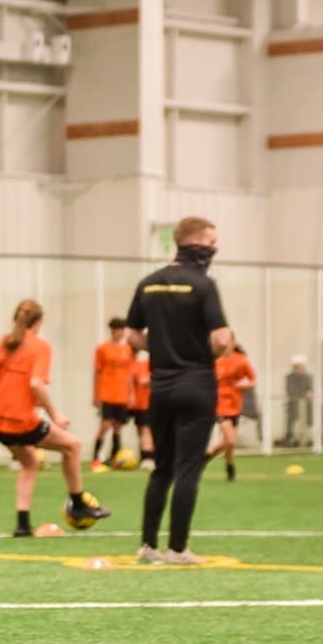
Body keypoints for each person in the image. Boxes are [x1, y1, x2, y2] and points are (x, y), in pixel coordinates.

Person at [124, 215, 233, 565]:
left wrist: (162, 348)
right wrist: (206, 352)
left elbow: (132, 335)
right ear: (197, 244)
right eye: (212, 242)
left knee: (162, 468)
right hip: (197, 384)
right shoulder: (203, 285)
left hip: (160, 387)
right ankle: (178, 548)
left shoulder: (149, 283)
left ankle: (147, 546)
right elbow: (221, 338)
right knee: (188, 468)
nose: (215, 248)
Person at [0, 300, 110, 537]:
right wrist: (55, 414)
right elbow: (36, 383)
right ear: (38, 322)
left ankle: (22, 525)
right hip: (23, 423)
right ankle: (78, 505)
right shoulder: (39, 347)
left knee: (30, 463)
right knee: (73, 447)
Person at [207, 341, 256, 482]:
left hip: (235, 406)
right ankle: (230, 470)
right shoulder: (215, 361)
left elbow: (253, 380)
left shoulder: (241, 360)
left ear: (233, 343)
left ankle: (210, 458)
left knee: (229, 443)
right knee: (230, 439)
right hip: (220, 405)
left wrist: (244, 384)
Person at [90, 318, 134, 471]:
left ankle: (115, 458)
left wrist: (131, 394)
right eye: (119, 329)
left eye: (123, 329)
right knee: (105, 425)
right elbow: (97, 372)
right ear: (113, 330)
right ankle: (95, 457)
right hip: (107, 392)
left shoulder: (127, 349)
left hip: (121, 394)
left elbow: (128, 373)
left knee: (118, 427)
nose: (121, 333)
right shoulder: (102, 349)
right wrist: (95, 394)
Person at [282, 355, 314, 447]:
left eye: (300, 366)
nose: (298, 368)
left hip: (307, 405)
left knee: (310, 418)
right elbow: (290, 390)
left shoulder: (308, 377)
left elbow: (310, 390)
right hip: (293, 404)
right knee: (291, 420)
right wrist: (301, 395)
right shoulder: (289, 377)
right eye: (296, 366)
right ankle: (290, 438)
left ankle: (307, 439)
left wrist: (308, 393)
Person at [130, 350, 155, 469]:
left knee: (148, 431)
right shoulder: (140, 365)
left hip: (152, 404)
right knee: (143, 431)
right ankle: (146, 457)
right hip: (141, 405)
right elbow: (142, 381)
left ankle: (149, 457)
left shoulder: (158, 367)